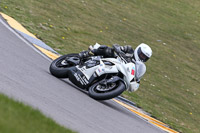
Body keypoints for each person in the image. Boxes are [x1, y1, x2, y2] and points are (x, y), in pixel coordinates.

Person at [79, 43, 152, 91]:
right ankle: (89, 53)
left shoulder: (137, 66)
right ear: (138, 51)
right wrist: (119, 50)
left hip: (120, 72)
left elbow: (137, 76)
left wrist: (137, 80)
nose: (142, 58)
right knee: (107, 50)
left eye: (145, 58)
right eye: (142, 55)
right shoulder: (129, 50)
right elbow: (116, 46)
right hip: (114, 60)